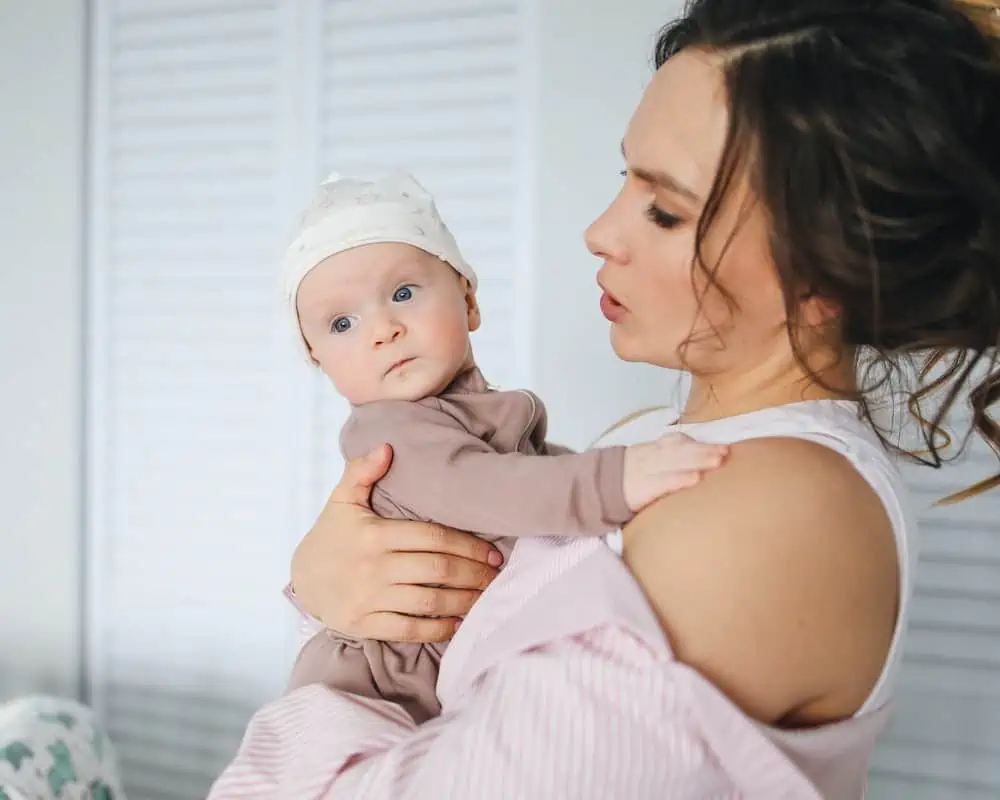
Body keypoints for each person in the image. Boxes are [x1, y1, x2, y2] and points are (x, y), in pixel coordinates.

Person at [210, 0, 1000, 796]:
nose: (599, 230)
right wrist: (329, 582)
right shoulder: (655, 434)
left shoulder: (775, 512)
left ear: (833, 269)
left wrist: (312, 672)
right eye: (625, 177)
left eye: (664, 209)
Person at [281, 170, 727, 723]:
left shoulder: (472, 412)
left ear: (468, 301)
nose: (383, 329)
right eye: (342, 322)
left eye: (402, 294)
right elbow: (488, 489)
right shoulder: (390, 431)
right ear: (317, 361)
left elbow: (530, 482)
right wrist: (616, 480)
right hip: (369, 695)